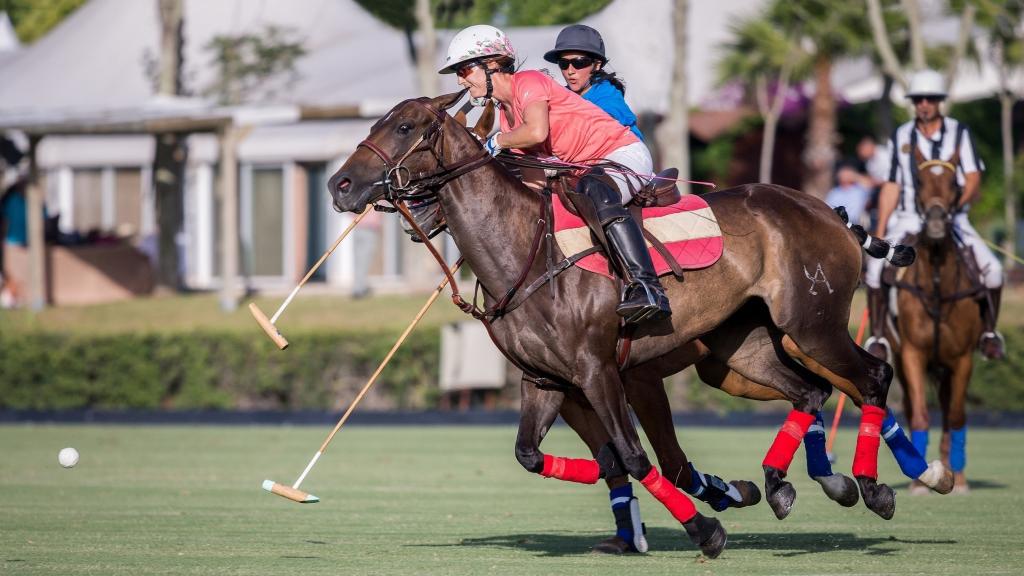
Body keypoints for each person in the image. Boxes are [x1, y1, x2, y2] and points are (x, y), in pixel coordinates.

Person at [439, 24, 670, 324]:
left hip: (624, 155)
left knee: (593, 187)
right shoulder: (508, 122)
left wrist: (495, 143)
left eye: (465, 69)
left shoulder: (529, 82)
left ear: (492, 65)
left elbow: (536, 131)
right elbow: (535, 190)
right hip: (590, 170)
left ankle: (648, 287)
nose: (460, 79)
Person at [865, 69, 1005, 362]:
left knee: (993, 271)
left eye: (930, 98)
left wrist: (952, 208)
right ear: (913, 103)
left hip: (953, 218)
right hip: (909, 219)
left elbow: (973, 177)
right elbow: (892, 184)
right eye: (918, 99)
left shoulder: (959, 132)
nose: (924, 104)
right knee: (876, 270)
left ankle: (988, 334)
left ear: (940, 101)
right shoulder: (901, 135)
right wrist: (879, 230)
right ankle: (878, 338)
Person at [543, 24, 643, 141]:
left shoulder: (608, 96)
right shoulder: (564, 94)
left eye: (579, 62)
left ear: (597, 65)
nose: (570, 71)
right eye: (563, 63)